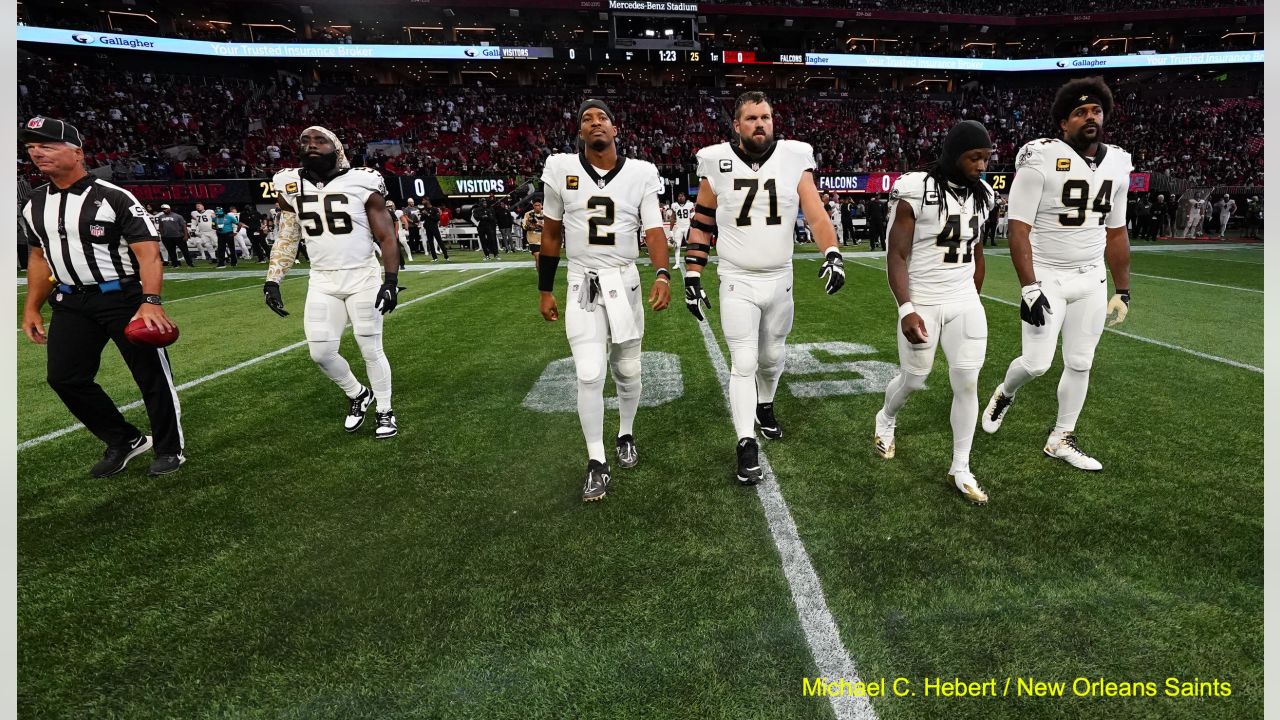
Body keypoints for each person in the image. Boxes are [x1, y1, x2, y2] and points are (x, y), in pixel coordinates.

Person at [683, 91, 846, 485]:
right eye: (752, 118)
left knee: (772, 358)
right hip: (737, 278)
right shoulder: (716, 161)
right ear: (736, 125)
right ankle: (745, 442)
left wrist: (832, 251)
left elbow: (815, 211)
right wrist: (692, 274)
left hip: (780, 278)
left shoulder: (794, 158)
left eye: (767, 117)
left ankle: (766, 404)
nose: (761, 124)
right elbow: (703, 221)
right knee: (744, 362)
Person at [18, 116, 185, 476]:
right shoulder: (33, 203)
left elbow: (148, 253)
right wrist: (31, 307)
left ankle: (169, 448)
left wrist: (150, 300)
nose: (36, 153)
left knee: (150, 377)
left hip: (122, 297)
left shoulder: (113, 197)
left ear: (77, 152)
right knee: (65, 377)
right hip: (70, 302)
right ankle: (124, 440)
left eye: (47, 145)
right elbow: (37, 256)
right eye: (31, 148)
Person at [981, 77, 1132, 471]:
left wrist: (1123, 289)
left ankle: (1061, 437)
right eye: (1080, 112)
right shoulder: (1041, 155)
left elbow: (1116, 231)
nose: (1090, 117)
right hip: (1047, 275)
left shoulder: (1118, 161)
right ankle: (1005, 391)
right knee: (1036, 364)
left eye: (1096, 111)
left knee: (1081, 362)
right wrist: (1029, 286)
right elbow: (1018, 228)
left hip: (1091, 278)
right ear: (1063, 123)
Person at [537, 99, 671, 502]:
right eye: (586, 119)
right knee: (590, 373)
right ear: (580, 132)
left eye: (603, 118)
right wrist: (545, 288)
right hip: (582, 281)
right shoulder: (561, 168)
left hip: (625, 281)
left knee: (627, 370)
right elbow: (551, 234)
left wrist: (662, 272)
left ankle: (625, 433)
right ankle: (596, 460)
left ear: (616, 129)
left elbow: (654, 229)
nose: (595, 123)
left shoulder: (641, 173)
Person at [874, 121, 996, 504]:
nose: (981, 166)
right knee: (914, 379)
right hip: (923, 299)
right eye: (974, 157)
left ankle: (960, 467)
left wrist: (972, 294)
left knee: (967, 382)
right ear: (954, 154)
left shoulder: (984, 195)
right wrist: (906, 308)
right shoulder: (916, 189)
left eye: (986, 158)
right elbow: (897, 254)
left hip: (963, 300)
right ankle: (886, 418)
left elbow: (976, 250)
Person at [262, 126, 403, 439]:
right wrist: (273, 279)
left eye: (320, 140)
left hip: (362, 276)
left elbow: (386, 235)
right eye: (305, 141)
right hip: (322, 280)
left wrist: (390, 280)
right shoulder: (288, 182)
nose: (311, 145)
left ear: (336, 147)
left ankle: (384, 409)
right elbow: (288, 233)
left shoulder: (363, 179)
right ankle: (358, 394)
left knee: (370, 348)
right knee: (321, 353)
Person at [156, 203, 194, 267]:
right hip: (167, 237)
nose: (164, 210)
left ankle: (189, 263)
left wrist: (186, 235)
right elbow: (161, 226)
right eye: (163, 209)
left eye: (165, 209)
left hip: (179, 236)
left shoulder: (178, 216)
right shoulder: (160, 217)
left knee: (184, 250)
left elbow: (184, 226)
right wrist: (162, 235)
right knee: (171, 251)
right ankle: (175, 264)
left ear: (169, 209)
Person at [522, 199, 544, 265]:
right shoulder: (528, 214)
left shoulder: (547, 214)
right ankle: (540, 275)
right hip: (533, 239)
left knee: (545, 260)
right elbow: (524, 227)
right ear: (533, 206)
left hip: (545, 239)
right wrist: (529, 226)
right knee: (538, 257)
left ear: (541, 205)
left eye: (538, 205)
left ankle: (544, 274)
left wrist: (538, 224)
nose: (537, 207)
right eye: (535, 205)